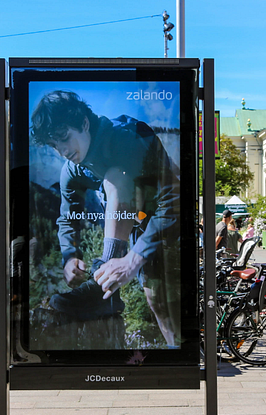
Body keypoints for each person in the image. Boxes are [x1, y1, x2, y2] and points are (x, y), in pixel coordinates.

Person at [30, 90, 181, 346]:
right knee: (157, 303)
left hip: (168, 220)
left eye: (65, 138)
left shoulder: (129, 136)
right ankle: (174, 348)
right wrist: (70, 256)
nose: (63, 151)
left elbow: (174, 200)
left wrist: (133, 258)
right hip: (136, 224)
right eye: (55, 145)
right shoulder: (72, 168)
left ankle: (185, 354)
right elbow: (68, 217)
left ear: (85, 124)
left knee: (115, 176)